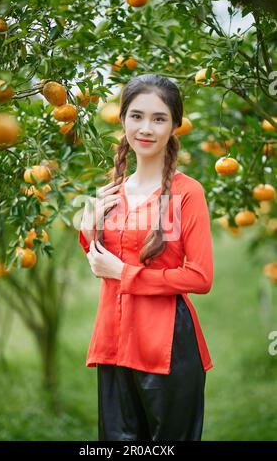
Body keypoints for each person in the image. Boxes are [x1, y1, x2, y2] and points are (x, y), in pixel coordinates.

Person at [78, 74, 214, 441]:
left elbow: (200, 277)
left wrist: (126, 274)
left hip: (166, 348)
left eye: (159, 118)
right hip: (113, 343)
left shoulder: (186, 194)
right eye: (137, 116)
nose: (146, 128)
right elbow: (103, 262)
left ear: (174, 126)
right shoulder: (110, 191)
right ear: (122, 120)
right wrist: (88, 228)